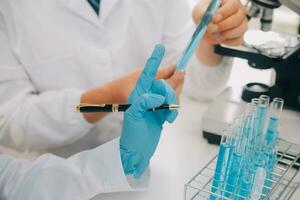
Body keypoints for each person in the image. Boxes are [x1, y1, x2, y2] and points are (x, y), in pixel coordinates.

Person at [0, 0, 247, 157]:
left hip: (142, 172)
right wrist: (108, 99)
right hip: (48, 179)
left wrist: (208, 36)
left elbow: (200, 86)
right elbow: (10, 123)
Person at [0, 45, 177, 200]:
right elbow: (11, 122)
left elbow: (14, 182)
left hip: (129, 181)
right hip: (57, 159)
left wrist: (121, 161)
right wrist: (108, 95)